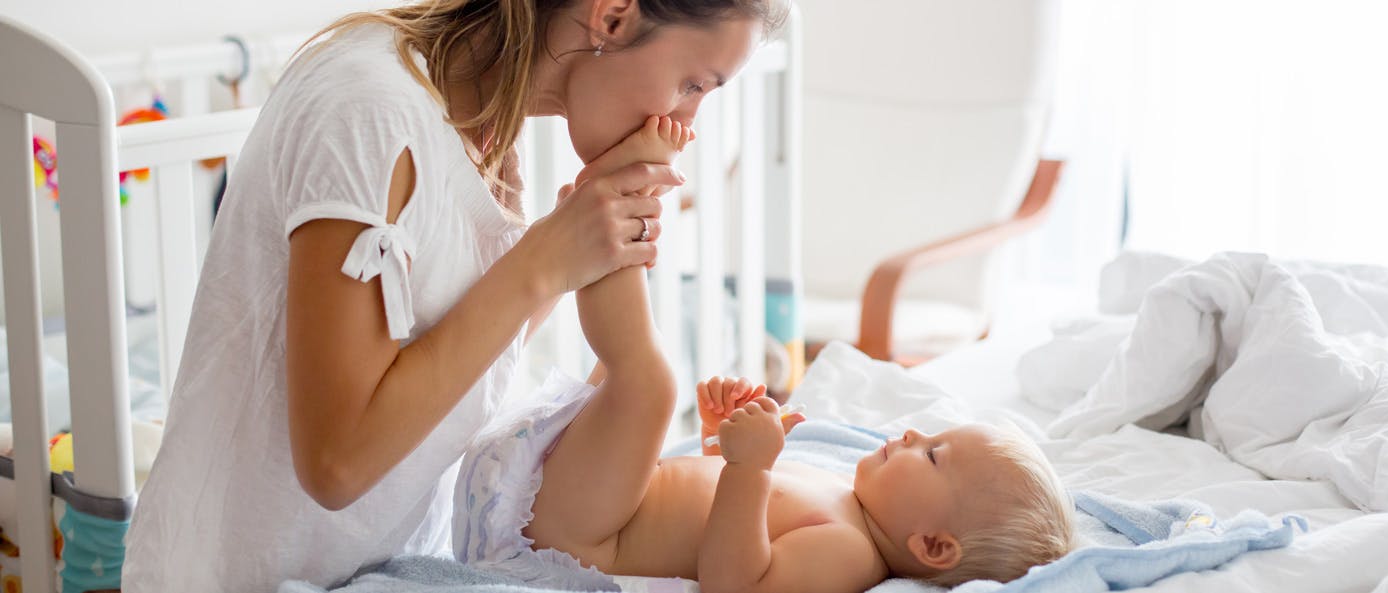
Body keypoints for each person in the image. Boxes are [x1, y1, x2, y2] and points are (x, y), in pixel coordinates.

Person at [122, 0, 785, 590]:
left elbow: (453, 367)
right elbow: (336, 463)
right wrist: (542, 262)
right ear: (612, 16)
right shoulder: (370, 111)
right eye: (693, 83)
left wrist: (576, 245)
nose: (688, 120)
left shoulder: (488, 131)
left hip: (392, 563)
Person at [454, 110, 1076, 592]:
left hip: (585, 536)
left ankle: (613, 210)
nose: (913, 433)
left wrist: (748, 471)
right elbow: (707, 513)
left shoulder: (848, 556)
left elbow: (735, 581)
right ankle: (598, 227)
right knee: (636, 379)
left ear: (933, 546)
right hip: (601, 503)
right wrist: (722, 443)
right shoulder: (843, 498)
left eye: (936, 455)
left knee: (646, 383)